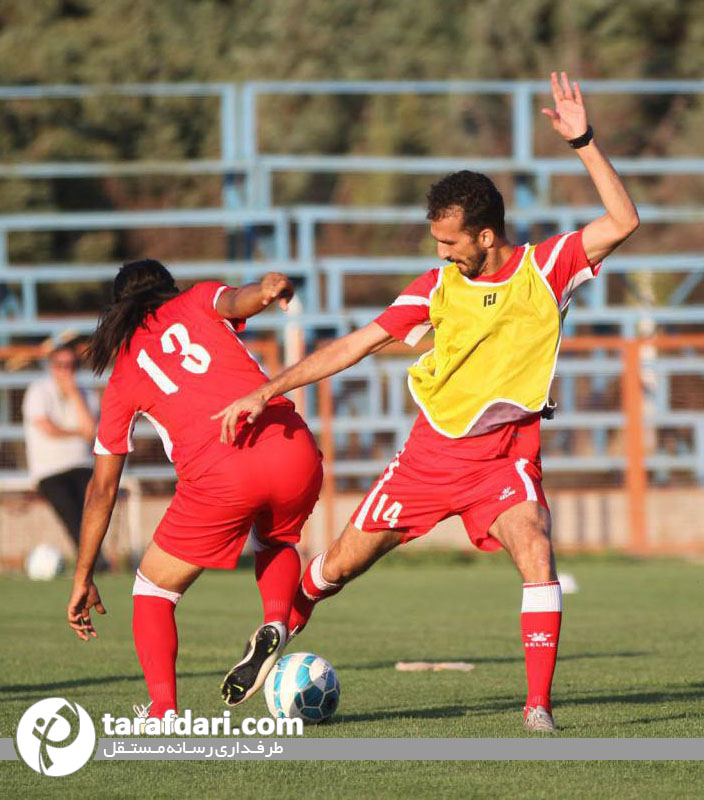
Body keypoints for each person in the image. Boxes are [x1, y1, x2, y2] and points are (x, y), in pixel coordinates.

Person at [214, 72, 640, 732]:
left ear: (486, 236)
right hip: (428, 458)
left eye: (450, 242)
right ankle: (277, 629)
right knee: (337, 566)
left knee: (536, 549)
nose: (441, 253)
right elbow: (356, 344)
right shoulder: (435, 289)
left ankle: (537, 708)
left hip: (504, 460)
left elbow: (624, 220)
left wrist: (583, 140)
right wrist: (269, 388)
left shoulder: (546, 268)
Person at [66, 260, 324, 717]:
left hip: (221, 469)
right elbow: (236, 300)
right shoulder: (196, 299)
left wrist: (83, 575)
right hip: (292, 444)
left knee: (153, 593)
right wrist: (263, 293)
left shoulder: (123, 376)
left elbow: (102, 490)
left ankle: (163, 710)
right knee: (277, 539)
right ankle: (274, 621)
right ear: (170, 288)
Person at [23, 342, 100, 557]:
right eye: (61, 365)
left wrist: (74, 395)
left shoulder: (85, 393)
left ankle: (93, 561)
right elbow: (47, 427)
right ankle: (93, 561)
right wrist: (77, 432)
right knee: (73, 516)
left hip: (82, 465)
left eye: (72, 365)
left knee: (92, 515)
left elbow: (91, 430)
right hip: (50, 470)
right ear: (51, 366)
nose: (67, 370)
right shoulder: (38, 391)